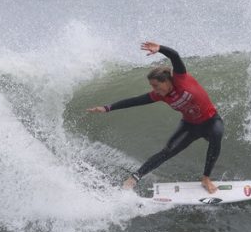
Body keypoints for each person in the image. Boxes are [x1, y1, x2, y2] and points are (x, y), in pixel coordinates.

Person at [87, 42, 224, 194]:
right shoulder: (159, 95)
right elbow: (134, 101)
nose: (155, 90)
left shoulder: (181, 79)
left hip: (211, 120)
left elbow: (175, 56)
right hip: (190, 126)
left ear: (166, 81)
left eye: (156, 86)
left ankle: (206, 178)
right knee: (168, 151)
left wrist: (160, 49)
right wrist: (107, 108)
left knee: (216, 135)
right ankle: (134, 177)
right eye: (152, 87)